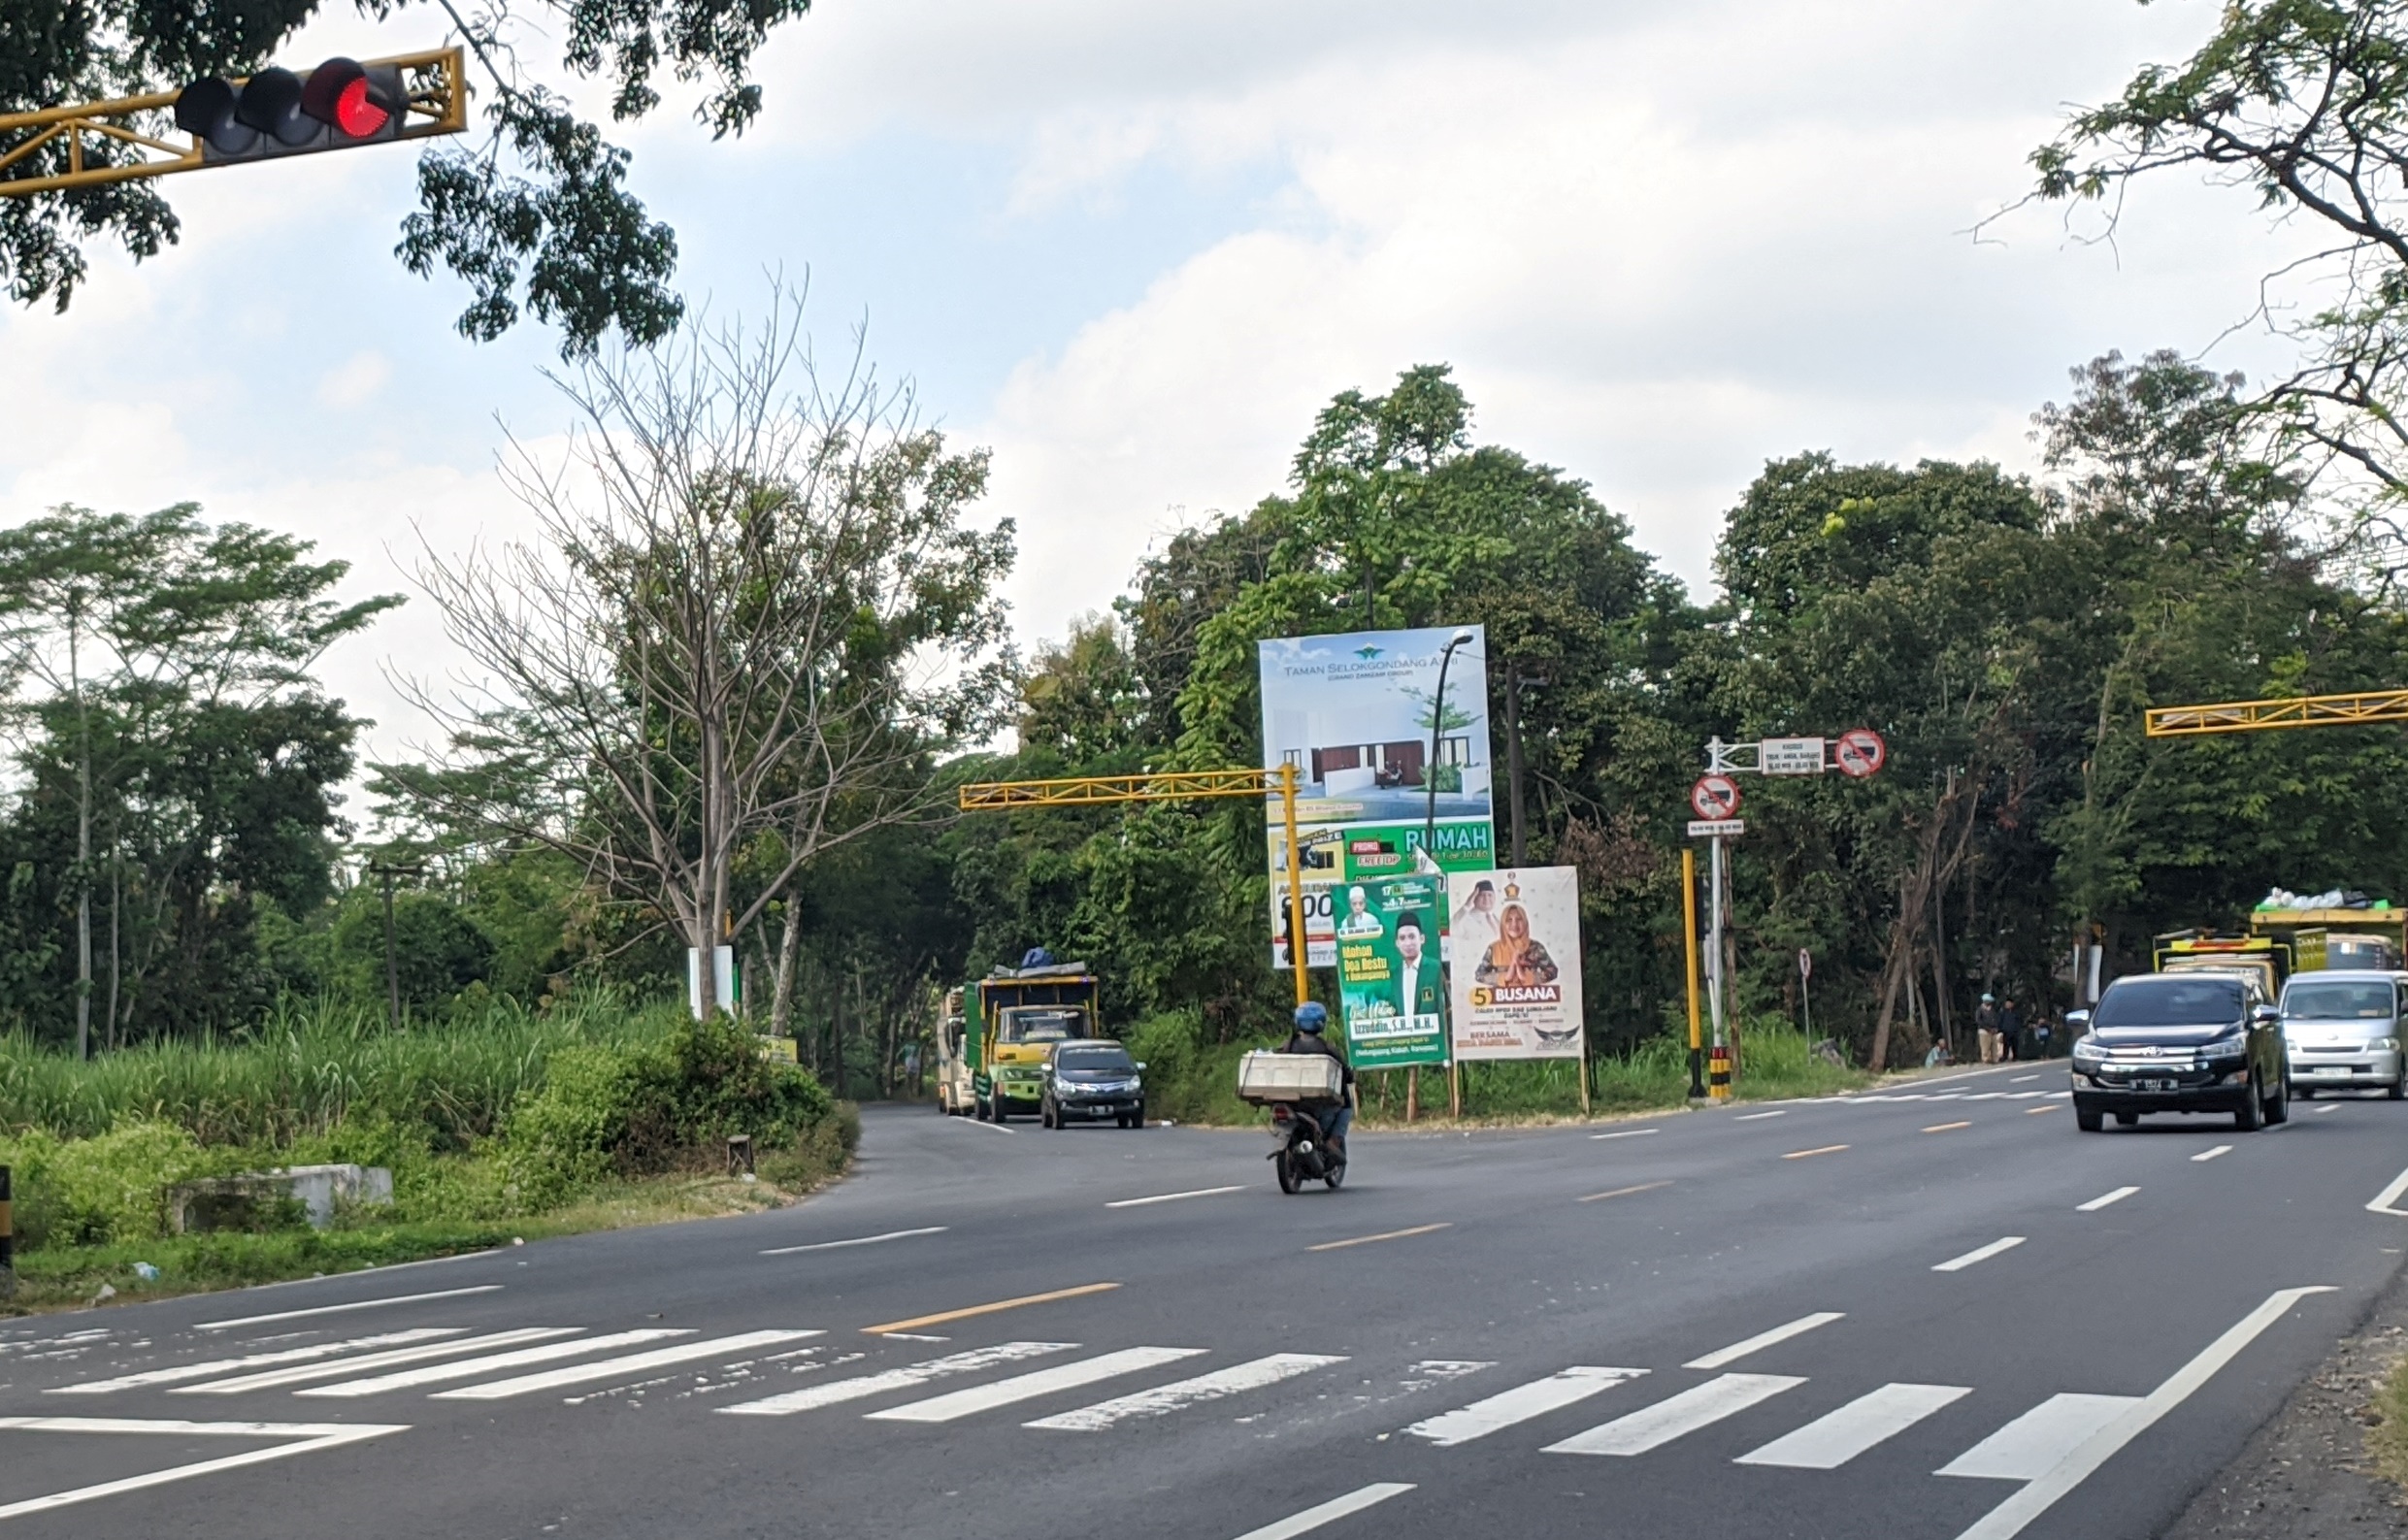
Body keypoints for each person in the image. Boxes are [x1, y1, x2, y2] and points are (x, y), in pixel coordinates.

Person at [1281, 1001, 1356, 1150]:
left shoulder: (1288, 1046)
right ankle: (1333, 1141)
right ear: (1321, 1023)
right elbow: (1344, 1071)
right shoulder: (1326, 1048)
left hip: (1293, 1099)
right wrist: (1350, 1076)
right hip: (1320, 1102)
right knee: (1346, 1107)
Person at [1475, 902, 1560, 988]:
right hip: (1501, 998)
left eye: (1519, 919)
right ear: (1503, 924)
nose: (1514, 924)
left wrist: (1528, 978)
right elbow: (1479, 975)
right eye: (1509, 920)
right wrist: (1504, 977)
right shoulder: (1494, 948)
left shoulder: (1535, 948)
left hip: (1531, 998)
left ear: (1525, 922)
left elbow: (1552, 971)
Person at [1392, 912, 1442, 1025]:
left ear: (1422, 939)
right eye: (1402, 938)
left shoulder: (1436, 969)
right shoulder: (1394, 974)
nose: (1408, 943)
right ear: (1397, 943)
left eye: (1412, 936)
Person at [1975, 993, 2001, 1065]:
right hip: (1984, 1030)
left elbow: (1996, 1019)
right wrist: (1987, 1028)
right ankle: (1985, 1059)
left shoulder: (1992, 1009)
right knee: (1985, 1046)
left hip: (1993, 1030)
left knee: (1994, 1045)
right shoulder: (1980, 1009)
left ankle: (1995, 1059)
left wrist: (1996, 1028)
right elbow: (1978, 1020)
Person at [1998, 999, 2024, 1063]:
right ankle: (2005, 1057)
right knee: (2006, 1045)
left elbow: (2020, 1021)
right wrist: (2001, 1029)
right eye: (2006, 1004)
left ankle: (2015, 1057)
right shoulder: (2003, 1012)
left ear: (2012, 1004)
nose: (2007, 1005)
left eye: (2009, 1003)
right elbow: (2000, 1021)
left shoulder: (2016, 1012)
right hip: (2006, 1031)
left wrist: (2018, 1028)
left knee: (2015, 1045)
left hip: (2015, 1031)